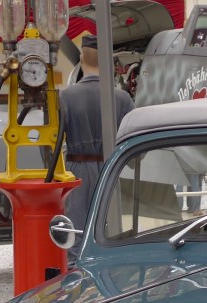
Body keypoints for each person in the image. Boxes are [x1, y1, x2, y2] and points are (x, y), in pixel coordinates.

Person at [59, 34, 135, 241]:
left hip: (76, 171)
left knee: (76, 234)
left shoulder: (66, 97)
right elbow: (135, 141)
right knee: (109, 233)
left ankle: (76, 271)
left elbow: (51, 144)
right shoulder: (122, 98)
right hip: (111, 169)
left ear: (82, 60)